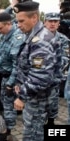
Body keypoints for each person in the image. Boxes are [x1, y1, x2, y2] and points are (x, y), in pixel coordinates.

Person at [13, 1, 58, 140]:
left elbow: (40, 77)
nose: (18, 25)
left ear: (34, 18)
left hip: (37, 98)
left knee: (33, 135)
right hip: (34, 95)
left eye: (21, 21)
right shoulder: (33, 35)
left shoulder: (40, 40)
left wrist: (22, 96)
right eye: (17, 21)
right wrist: (20, 83)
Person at [0, 12, 24, 137]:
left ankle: (9, 130)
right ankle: (7, 126)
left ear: (9, 24)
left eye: (0, 28)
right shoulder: (3, 35)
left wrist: (10, 84)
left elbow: (17, 65)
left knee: (9, 103)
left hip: (13, 78)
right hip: (4, 75)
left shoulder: (17, 38)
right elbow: (0, 54)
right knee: (4, 101)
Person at [44, 12, 70, 125]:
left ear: (59, 23)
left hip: (54, 80)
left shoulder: (63, 39)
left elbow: (65, 59)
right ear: (45, 22)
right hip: (39, 80)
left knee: (52, 107)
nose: (52, 24)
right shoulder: (36, 38)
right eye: (50, 21)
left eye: (55, 21)